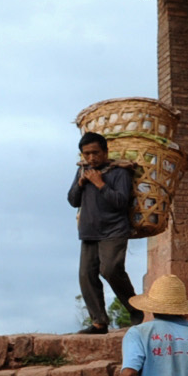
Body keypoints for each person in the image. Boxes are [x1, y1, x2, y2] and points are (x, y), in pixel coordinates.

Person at [69, 132, 136, 335]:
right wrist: (81, 185)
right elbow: (73, 201)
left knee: (111, 269)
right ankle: (99, 322)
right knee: (86, 275)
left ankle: (136, 310)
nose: (91, 158)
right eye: (86, 154)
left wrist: (100, 184)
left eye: (95, 153)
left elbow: (121, 202)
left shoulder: (120, 172)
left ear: (105, 152)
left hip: (114, 230)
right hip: (89, 231)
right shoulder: (82, 172)